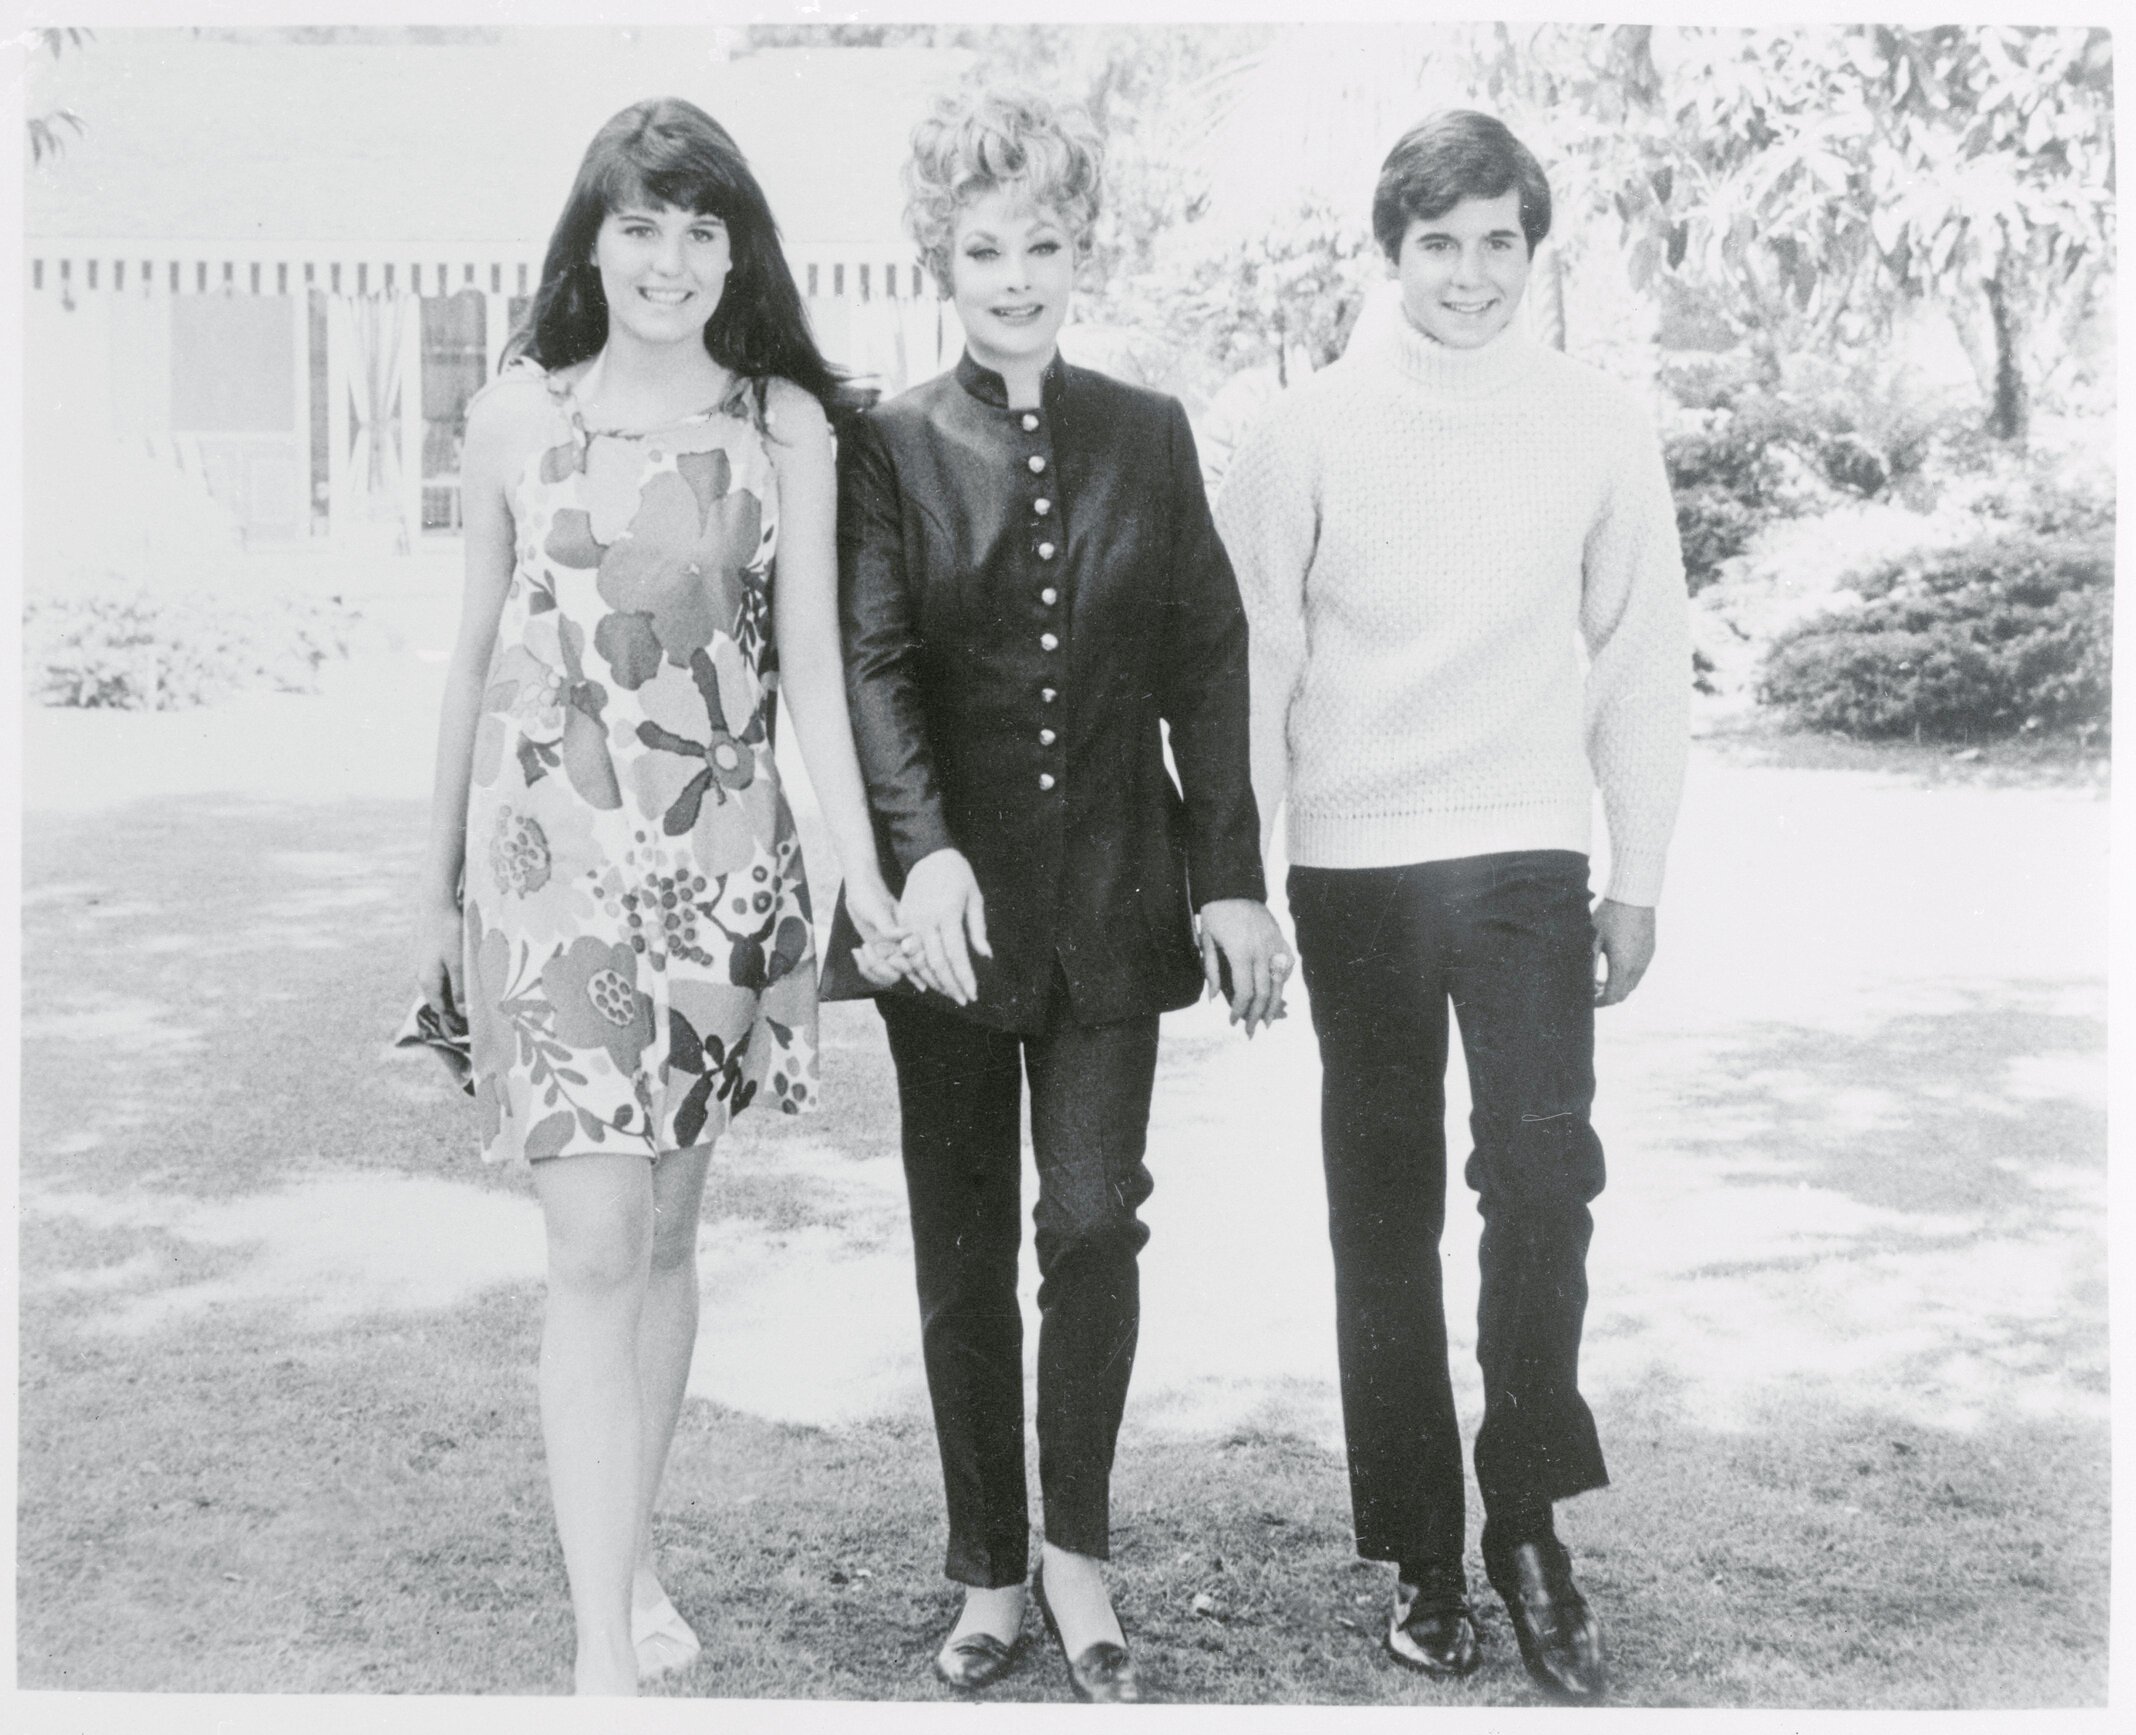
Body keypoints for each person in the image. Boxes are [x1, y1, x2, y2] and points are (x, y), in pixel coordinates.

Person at [408, 98, 901, 1696]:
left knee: (671, 1237)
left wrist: (868, 877)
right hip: (546, 879)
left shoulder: (784, 430)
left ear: (736, 248)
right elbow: (472, 664)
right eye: (641, 226)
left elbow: (813, 675)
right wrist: (431, 899)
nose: (671, 260)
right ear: (593, 241)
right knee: (595, 1250)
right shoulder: (508, 421)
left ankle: (625, 1561)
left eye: (702, 229)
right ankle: (596, 1663)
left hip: (718, 874)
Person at [1215, 110, 1690, 1703]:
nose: (1472, 275)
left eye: (1501, 242)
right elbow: (1259, 663)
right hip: (1353, 864)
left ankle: (1531, 1518)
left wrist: (1641, 870)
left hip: (1526, 857)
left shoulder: (1596, 426)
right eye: (1441, 245)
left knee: (1545, 1177)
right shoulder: (1307, 434)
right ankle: (1421, 1540)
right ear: (1390, 250)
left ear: (1532, 250)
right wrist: (1247, 877)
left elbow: (1637, 657)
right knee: (1383, 1206)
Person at [824, 89, 1290, 1704]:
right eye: (982, 246)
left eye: (1042, 241)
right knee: (961, 1244)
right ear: (939, 257)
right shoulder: (887, 444)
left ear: (1083, 246)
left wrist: (1230, 879)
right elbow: (871, 664)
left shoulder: (1148, 431)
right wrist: (919, 848)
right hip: (942, 920)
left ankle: (1078, 1553)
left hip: (1110, 902)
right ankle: (986, 1572)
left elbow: (1208, 658)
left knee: (1091, 1222)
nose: (1014, 274)